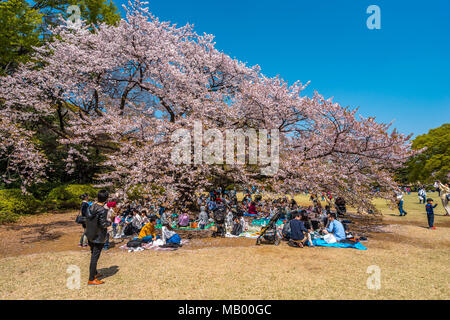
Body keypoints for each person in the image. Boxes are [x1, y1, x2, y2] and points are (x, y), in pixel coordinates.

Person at [85, 190, 111, 286]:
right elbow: (103, 224)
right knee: (95, 257)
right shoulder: (102, 210)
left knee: (93, 254)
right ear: (106, 199)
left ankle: (94, 273)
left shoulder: (91, 206)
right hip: (98, 236)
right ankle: (91, 279)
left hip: (90, 234)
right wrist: (110, 222)